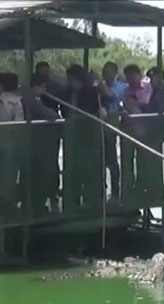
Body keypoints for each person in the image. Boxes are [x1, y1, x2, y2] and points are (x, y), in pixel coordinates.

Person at [62, 64, 106, 209]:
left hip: (89, 136)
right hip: (72, 137)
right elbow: (66, 112)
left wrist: (101, 112)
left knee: (89, 168)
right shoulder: (68, 93)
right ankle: (71, 200)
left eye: (71, 78)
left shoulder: (92, 92)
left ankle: (91, 199)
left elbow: (99, 108)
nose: (69, 81)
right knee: (71, 169)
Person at [22, 73, 61, 213]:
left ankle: (37, 204)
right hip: (34, 144)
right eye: (43, 87)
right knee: (37, 176)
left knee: (38, 176)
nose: (44, 90)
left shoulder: (33, 99)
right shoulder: (31, 100)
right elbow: (51, 115)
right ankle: (35, 206)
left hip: (36, 143)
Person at [0, 72, 25, 216]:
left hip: (0, 142)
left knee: (2, 176)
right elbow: (18, 125)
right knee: (7, 176)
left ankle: (3, 207)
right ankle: (5, 207)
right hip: (10, 144)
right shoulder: (17, 102)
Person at [97, 61, 126, 201]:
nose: (105, 74)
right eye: (104, 71)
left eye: (108, 72)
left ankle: (116, 191)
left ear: (115, 73)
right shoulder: (98, 86)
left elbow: (111, 96)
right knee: (99, 158)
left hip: (112, 121)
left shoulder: (121, 87)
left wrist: (99, 84)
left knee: (112, 157)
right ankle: (101, 190)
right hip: (98, 123)